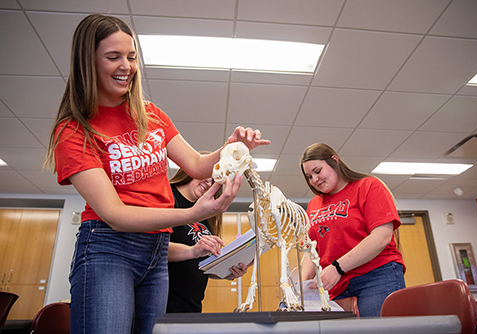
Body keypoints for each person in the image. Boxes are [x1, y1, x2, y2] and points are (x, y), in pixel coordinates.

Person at [43, 14, 269, 334]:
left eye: (132, 57)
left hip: (156, 250)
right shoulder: (74, 131)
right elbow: (116, 215)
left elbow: (197, 165)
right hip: (109, 247)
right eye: (113, 57)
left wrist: (232, 148)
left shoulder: (151, 115)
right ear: (87, 62)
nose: (127, 66)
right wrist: (192, 213)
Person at [300, 143, 405, 317]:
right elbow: (312, 250)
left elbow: (381, 236)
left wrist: (337, 268)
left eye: (318, 171)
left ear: (335, 161)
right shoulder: (313, 205)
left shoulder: (368, 186)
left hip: (376, 275)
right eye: (309, 176)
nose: (314, 180)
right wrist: (302, 286)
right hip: (336, 285)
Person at [166, 160, 251, 313]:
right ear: (189, 170)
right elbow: (152, 247)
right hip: (165, 304)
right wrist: (192, 250)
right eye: (206, 175)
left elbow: (200, 265)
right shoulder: (168, 196)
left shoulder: (204, 212)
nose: (209, 182)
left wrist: (228, 272)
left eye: (214, 179)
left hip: (192, 306)